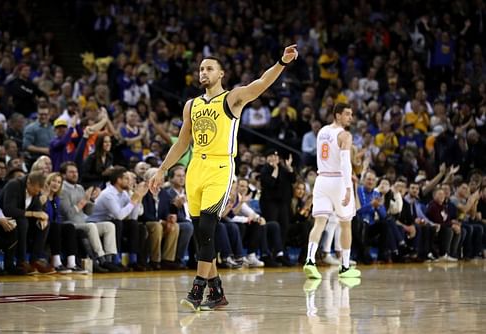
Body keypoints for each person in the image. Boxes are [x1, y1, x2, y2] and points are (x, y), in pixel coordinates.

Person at [149, 45, 299, 311]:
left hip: (221, 167)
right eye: (201, 69)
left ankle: (197, 289)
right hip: (196, 169)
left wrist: (281, 62)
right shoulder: (191, 105)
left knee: (207, 229)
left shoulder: (233, 98)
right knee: (201, 235)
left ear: (221, 74)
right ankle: (217, 292)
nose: (203, 72)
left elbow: (262, 83)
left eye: (209, 68)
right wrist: (162, 169)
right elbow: (183, 142)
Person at [303, 102, 361, 280]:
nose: (350, 117)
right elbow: (345, 163)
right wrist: (349, 188)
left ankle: (310, 261)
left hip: (321, 180)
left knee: (319, 223)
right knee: (346, 224)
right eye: (347, 114)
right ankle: (344, 267)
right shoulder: (345, 135)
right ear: (337, 115)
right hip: (337, 180)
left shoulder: (322, 132)